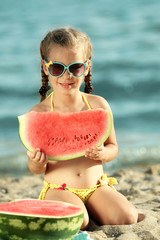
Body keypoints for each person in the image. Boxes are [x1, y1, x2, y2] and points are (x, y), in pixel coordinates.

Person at [27, 27, 138, 230]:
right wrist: (37, 162)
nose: (67, 75)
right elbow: (35, 169)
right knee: (80, 221)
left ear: (87, 67)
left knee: (128, 217)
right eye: (57, 68)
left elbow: (113, 147)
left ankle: (89, 209)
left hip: (96, 187)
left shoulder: (99, 106)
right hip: (58, 188)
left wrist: (104, 153)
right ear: (45, 68)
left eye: (75, 67)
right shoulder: (40, 114)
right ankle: (52, 206)